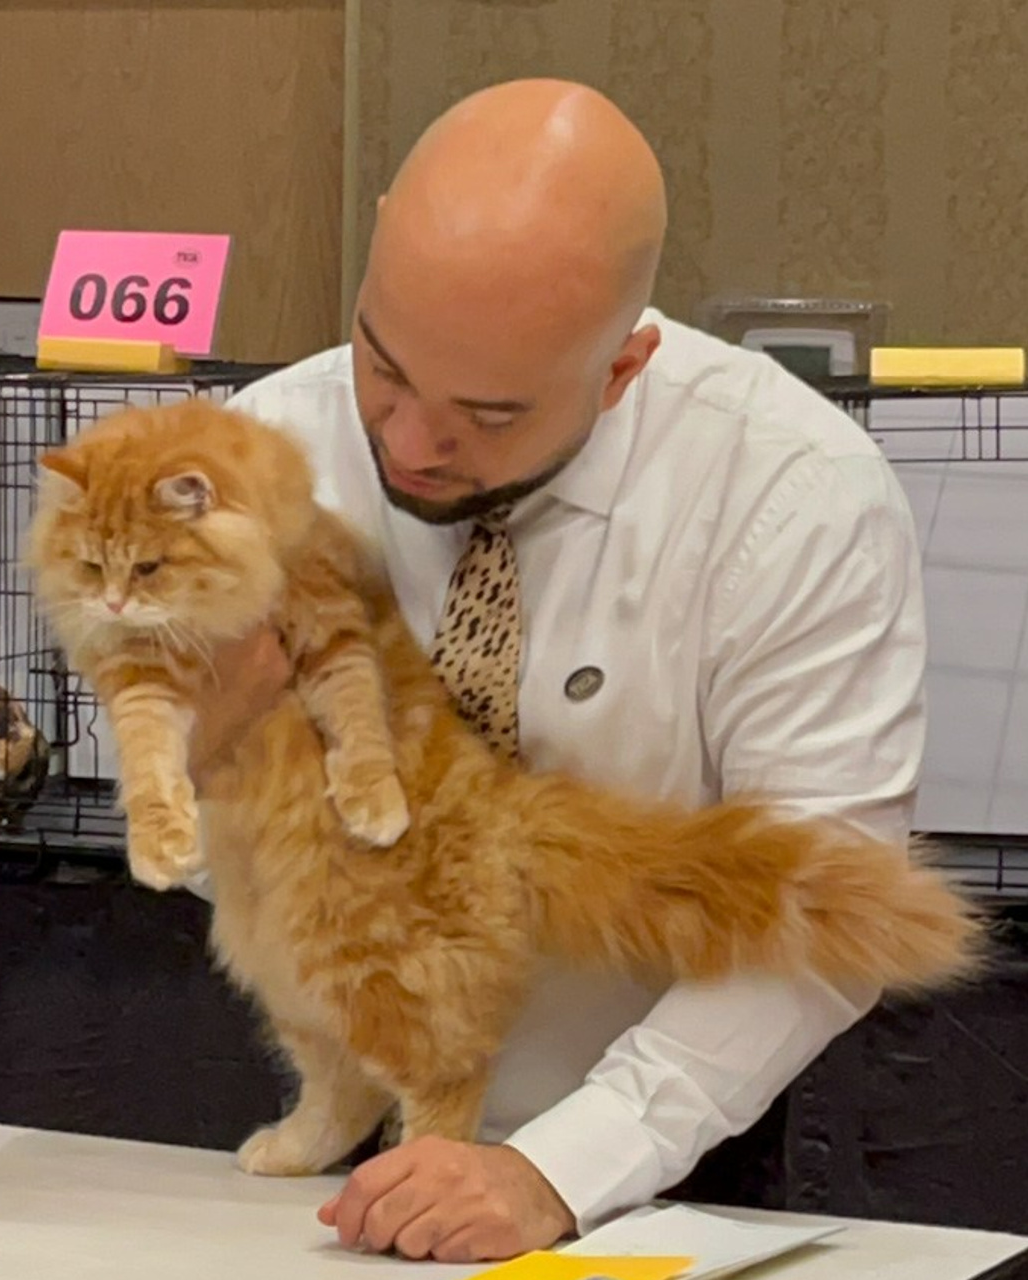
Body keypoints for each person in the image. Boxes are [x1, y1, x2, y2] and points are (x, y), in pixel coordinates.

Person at [188, 78, 927, 1263]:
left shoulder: (792, 495)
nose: (408, 443)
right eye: (382, 365)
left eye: (487, 413)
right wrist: (204, 765)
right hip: (327, 1115)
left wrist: (558, 1168)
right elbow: (191, 856)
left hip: (649, 1156)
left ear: (623, 366)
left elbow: (829, 903)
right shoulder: (261, 453)